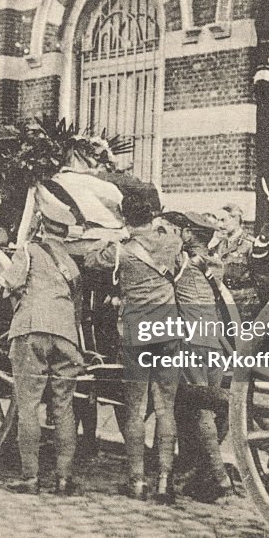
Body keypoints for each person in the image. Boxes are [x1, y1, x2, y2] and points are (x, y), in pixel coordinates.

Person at [84, 195, 185, 504]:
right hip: (169, 329)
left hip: (137, 332)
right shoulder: (170, 241)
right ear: (152, 215)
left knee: (135, 407)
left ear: (124, 217)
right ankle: (165, 483)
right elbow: (178, 249)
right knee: (165, 408)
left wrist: (116, 235)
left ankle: (137, 481)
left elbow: (90, 259)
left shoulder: (122, 251)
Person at [0, 214, 84, 495]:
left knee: (28, 404)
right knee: (64, 407)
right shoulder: (71, 263)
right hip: (67, 336)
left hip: (31, 331)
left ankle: (30, 478)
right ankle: (64, 479)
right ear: (65, 234)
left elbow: (8, 284)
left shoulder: (28, 250)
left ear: (41, 228)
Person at [159, 211, 232, 503]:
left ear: (188, 234)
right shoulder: (216, 263)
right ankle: (201, 472)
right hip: (212, 339)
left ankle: (219, 475)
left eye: (178, 230)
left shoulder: (182, 261)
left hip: (190, 339)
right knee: (212, 404)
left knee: (201, 408)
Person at [208, 203, 258, 318]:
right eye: (218, 221)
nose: (219, 225)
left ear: (235, 219)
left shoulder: (250, 244)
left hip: (245, 303)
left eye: (223, 220)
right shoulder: (220, 244)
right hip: (225, 301)